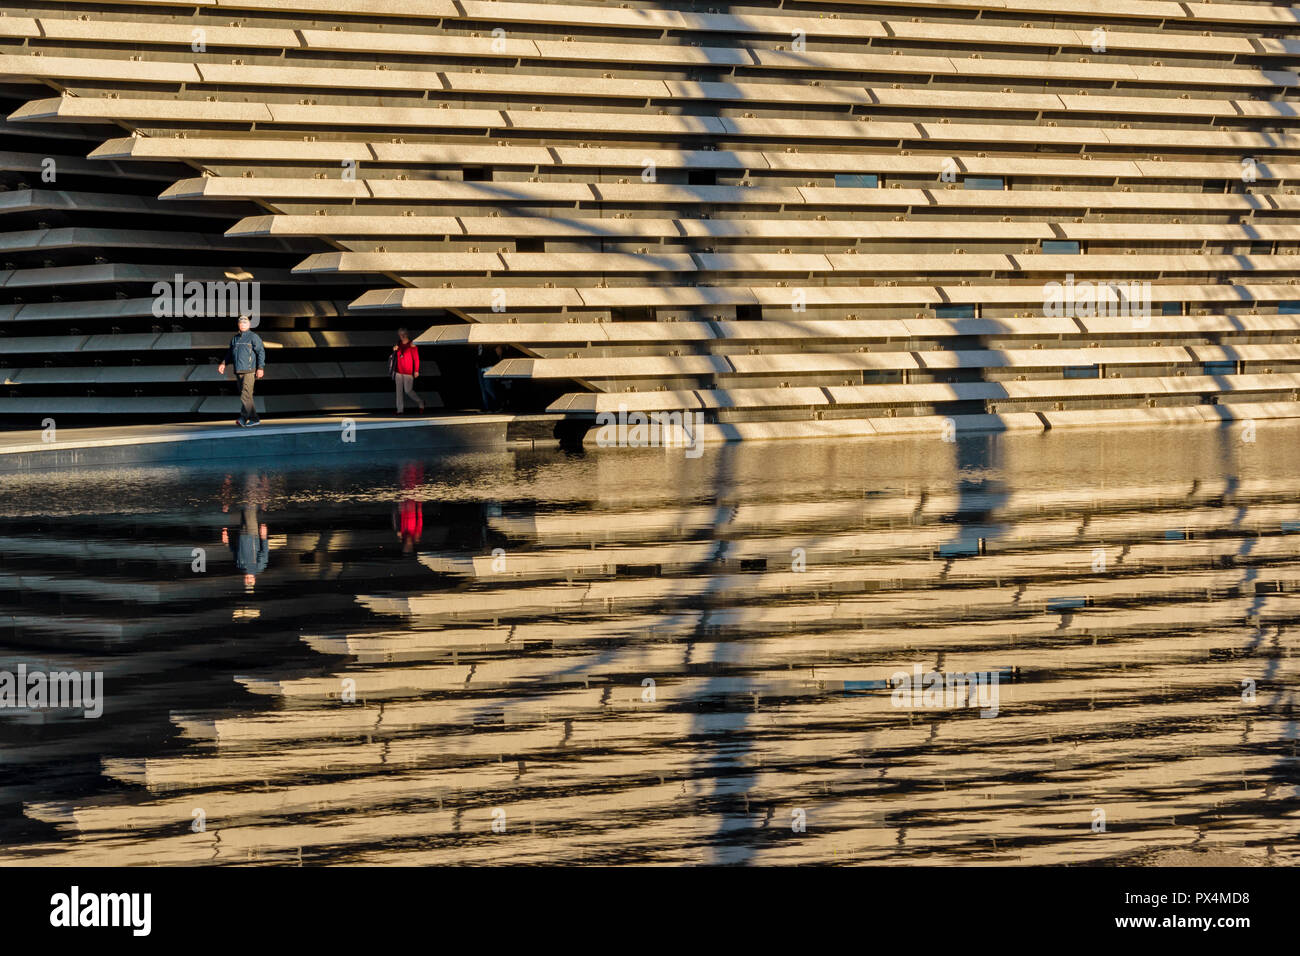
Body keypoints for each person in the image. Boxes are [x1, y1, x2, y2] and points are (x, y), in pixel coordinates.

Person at [217, 314, 266, 426]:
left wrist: (260, 368)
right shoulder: (235, 338)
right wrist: (223, 363)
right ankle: (244, 418)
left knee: (245, 395)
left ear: (249, 324)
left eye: (245, 322)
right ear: (238, 325)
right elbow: (230, 353)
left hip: (250, 370)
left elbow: (261, 352)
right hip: (238, 370)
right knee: (246, 396)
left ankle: (254, 418)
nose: (242, 324)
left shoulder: (253, 337)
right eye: (240, 323)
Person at [391, 328, 426, 414]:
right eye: (400, 334)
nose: (402, 336)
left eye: (404, 334)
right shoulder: (398, 343)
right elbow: (396, 356)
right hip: (398, 371)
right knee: (398, 392)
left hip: (408, 371)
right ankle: (400, 410)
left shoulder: (412, 344)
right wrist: (394, 350)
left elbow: (416, 359)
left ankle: (420, 402)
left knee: (408, 390)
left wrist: (416, 370)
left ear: (407, 334)